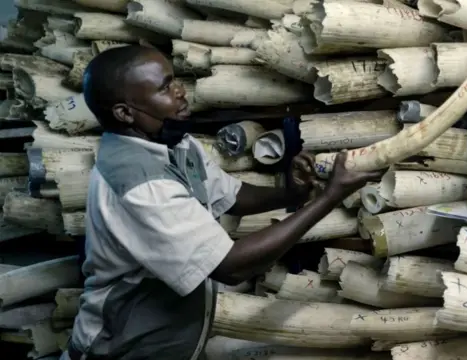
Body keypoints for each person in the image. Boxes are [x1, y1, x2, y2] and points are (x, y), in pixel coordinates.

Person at [61, 45, 382, 360]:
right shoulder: (140, 182)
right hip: (120, 346)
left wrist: (290, 194)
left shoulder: (173, 143)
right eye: (164, 88)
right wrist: (328, 199)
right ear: (125, 112)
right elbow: (232, 267)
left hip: (165, 340)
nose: (181, 92)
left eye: (174, 80)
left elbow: (229, 195)